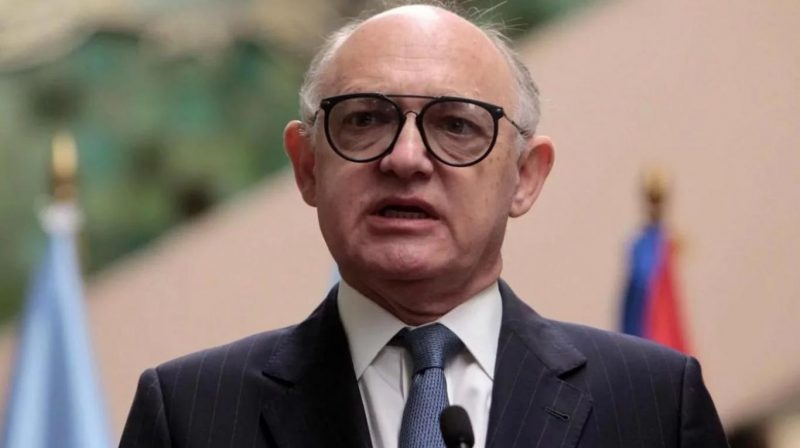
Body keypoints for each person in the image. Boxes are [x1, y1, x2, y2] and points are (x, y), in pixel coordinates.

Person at [120, 3, 728, 447]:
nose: (406, 159)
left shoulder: (652, 404)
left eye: (456, 125)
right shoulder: (190, 415)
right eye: (365, 120)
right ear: (307, 167)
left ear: (525, 177)